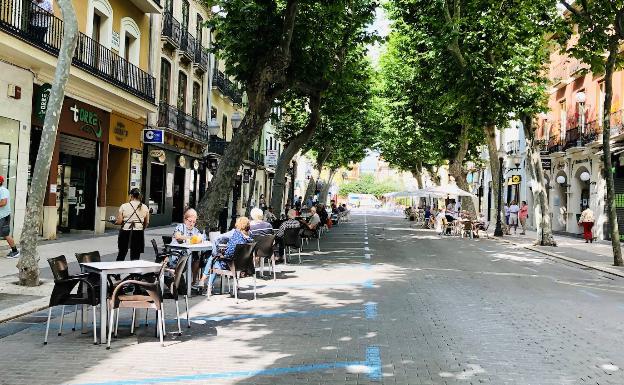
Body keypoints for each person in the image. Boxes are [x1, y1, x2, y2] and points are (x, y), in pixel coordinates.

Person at [197, 217, 253, 293]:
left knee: (214, 259)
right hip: (243, 265)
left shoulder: (234, 233)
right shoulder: (250, 237)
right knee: (215, 259)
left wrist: (215, 253)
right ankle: (204, 283)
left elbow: (217, 239)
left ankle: (205, 283)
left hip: (229, 265)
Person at [115, 188, 150, 261]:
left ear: (131, 195)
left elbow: (119, 221)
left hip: (125, 231)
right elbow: (146, 222)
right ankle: (134, 272)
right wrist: (142, 228)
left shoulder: (124, 206)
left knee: (122, 253)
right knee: (135, 256)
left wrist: (115, 222)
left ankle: (116, 271)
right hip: (138, 232)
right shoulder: (145, 207)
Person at [173, 208, 205, 283]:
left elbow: (201, 238)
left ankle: (194, 281)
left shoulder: (195, 230)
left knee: (197, 258)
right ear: (185, 220)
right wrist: (190, 237)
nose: (191, 224)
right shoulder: (180, 227)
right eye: (190, 221)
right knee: (193, 257)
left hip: (190, 253)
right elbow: (178, 236)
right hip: (179, 254)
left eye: (194, 222)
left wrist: (199, 239)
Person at [0, 176, 19, 258]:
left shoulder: (2, 190)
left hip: (3, 216)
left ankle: (15, 251)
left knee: (6, 234)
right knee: (5, 234)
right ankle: (15, 251)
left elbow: (3, 202)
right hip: (3, 216)